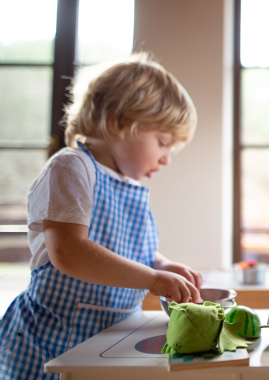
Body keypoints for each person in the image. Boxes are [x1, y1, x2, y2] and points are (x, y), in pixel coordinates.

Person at [0, 52, 204, 379]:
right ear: (117, 122)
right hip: (53, 339)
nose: (166, 159)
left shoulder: (126, 185)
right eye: (163, 142)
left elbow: (121, 247)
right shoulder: (71, 168)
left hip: (110, 337)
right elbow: (71, 251)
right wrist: (152, 279)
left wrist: (159, 264)